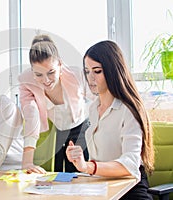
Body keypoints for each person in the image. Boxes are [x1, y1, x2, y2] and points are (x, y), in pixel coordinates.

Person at [66, 40, 154, 199]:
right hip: (99, 185)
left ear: (113, 71)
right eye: (87, 71)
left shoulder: (129, 111)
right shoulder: (93, 109)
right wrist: (79, 159)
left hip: (129, 188)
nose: (90, 78)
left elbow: (130, 164)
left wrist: (88, 166)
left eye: (97, 71)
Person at [18, 34, 92, 173]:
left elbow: (99, 99)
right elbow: (31, 116)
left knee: (79, 173)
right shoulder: (26, 81)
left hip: (80, 126)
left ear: (59, 64)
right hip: (55, 129)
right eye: (38, 75)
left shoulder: (76, 76)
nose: (46, 80)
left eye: (51, 72)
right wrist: (27, 162)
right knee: (55, 173)